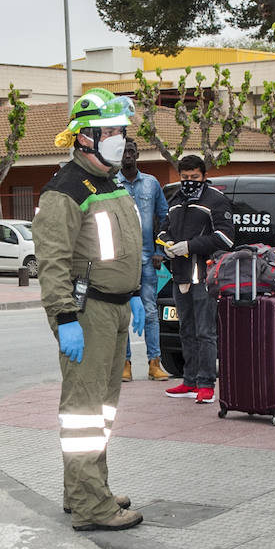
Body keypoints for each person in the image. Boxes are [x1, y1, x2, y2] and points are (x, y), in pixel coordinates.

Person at [32, 88, 146, 532]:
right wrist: (64, 319)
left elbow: (118, 246)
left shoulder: (108, 182)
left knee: (101, 410)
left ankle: (85, 487)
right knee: (84, 411)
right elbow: (53, 262)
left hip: (114, 308)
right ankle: (91, 507)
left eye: (122, 131)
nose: (121, 139)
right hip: (86, 311)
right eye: (113, 131)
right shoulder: (64, 190)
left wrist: (133, 290)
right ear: (86, 138)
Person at [157, 155, 235, 404]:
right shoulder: (176, 200)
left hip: (204, 276)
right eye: (184, 177)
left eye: (194, 177)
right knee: (186, 330)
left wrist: (190, 246)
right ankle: (189, 381)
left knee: (205, 332)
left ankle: (206, 384)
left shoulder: (215, 200)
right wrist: (167, 243)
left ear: (203, 176)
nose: (189, 182)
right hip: (179, 274)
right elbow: (163, 228)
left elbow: (226, 238)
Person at [116, 138, 171, 382]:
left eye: (131, 151)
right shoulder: (111, 185)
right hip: (120, 260)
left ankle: (154, 363)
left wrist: (160, 249)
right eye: (123, 151)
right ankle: (125, 364)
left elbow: (164, 217)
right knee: (122, 314)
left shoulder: (151, 183)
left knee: (150, 312)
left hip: (149, 258)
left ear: (138, 154)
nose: (128, 155)